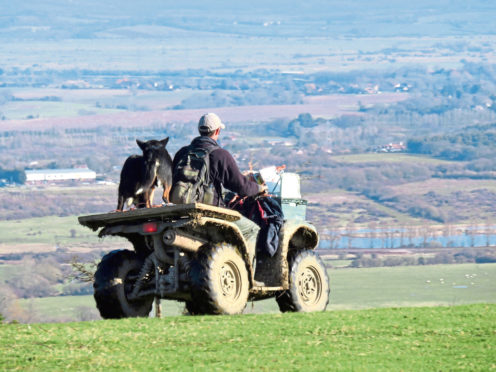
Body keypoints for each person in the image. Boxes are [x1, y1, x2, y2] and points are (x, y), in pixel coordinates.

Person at [172, 113, 267, 271]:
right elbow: (242, 187)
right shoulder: (220, 155)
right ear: (217, 131)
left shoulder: (182, 153)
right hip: (211, 213)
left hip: (180, 212)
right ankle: (246, 277)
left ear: (199, 130)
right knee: (252, 229)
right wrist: (259, 188)